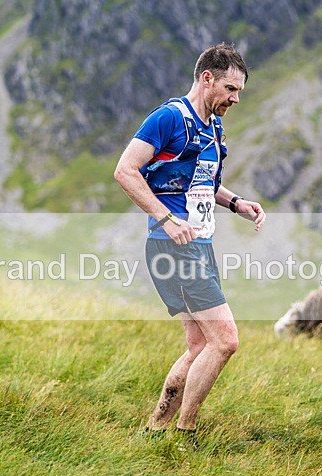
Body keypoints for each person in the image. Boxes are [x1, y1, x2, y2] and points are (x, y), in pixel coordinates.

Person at [114, 43, 266, 432]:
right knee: (226, 340)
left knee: (200, 347)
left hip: (199, 245)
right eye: (231, 90)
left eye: (239, 93)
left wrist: (236, 203)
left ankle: (156, 429)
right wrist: (165, 218)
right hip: (173, 247)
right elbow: (126, 171)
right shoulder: (167, 118)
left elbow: (200, 185)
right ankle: (186, 433)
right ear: (207, 78)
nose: (235, 99)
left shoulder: (213, 126)